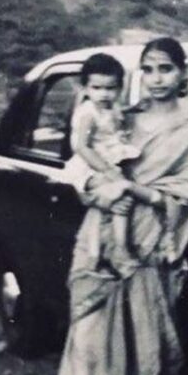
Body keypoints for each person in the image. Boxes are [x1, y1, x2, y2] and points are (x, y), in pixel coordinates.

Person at [21, 37, 188, 375]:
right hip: (102, 242)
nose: (156, 79)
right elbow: (81, 169)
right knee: (90, 343)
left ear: (182, 75)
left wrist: (137, 193)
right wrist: (99, 192)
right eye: (148, 69)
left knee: (146, 348)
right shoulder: (118, 120)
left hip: (151, 244)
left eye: (165, 69)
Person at [64, 53, 140, 268]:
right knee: (121, 197)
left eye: (110, 88)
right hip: (88, 166)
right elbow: (82, 146)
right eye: (97, 88)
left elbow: (117, 123)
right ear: (85, 88)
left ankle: (96, 252)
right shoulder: (88, 113)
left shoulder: (110, 108)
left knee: (109, 204)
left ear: (119, 88)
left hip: (105, 160)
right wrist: (108, 171)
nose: (104, 94)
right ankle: (121, 249)